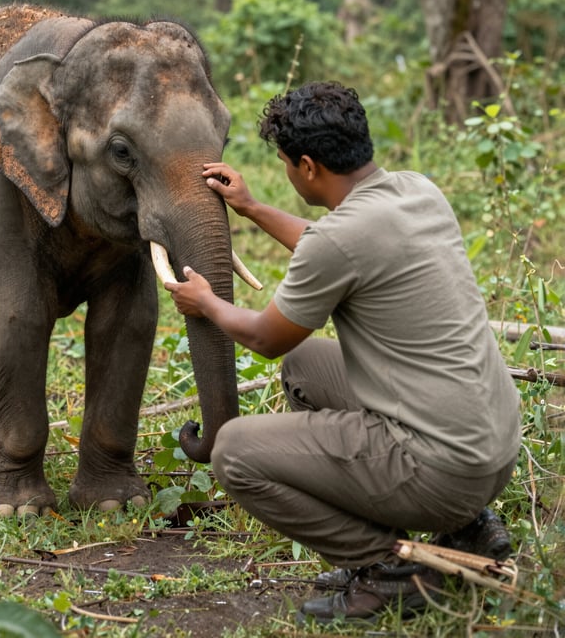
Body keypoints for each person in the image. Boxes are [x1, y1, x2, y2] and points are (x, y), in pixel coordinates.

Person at [164, 81, 521, 624]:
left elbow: (265, 337)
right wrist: (253, 207)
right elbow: (337, 245)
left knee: (234, 451)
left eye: (285, 163)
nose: (286, 172)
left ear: (308, 167)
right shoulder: (414, 189)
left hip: (443, 469)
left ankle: (385, 569)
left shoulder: (339, 240)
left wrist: (206, 303)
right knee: (306, 367)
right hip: (490, 446)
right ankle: (469, 527)